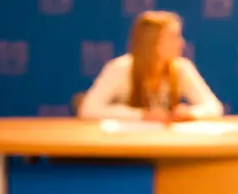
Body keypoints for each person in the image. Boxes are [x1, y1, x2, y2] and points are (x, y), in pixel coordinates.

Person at [77, 10, 223, 121]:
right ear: (152, 42)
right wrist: (142, 115)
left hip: (167, 145)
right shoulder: (121, 68)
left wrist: (190, 113)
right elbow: (88, 109)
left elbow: (214, 107)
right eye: (173, 36)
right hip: (128, 147)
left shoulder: (182, 68)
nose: (181, 43)